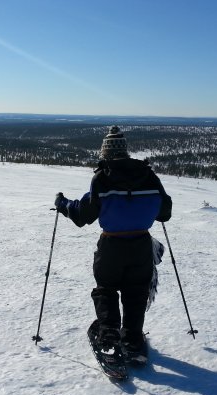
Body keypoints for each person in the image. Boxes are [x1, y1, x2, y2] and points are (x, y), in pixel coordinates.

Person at [54, 125, 172, 359]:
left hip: (111, 245)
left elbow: (83, 215)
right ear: (125, 151)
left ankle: (108, 336)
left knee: (106, 289)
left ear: (105, 152)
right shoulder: (148, 175)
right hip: (141, 244)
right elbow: (165, 212)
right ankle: (133, 342)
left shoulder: (102, 178)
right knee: (136, 292)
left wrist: (62, 204)